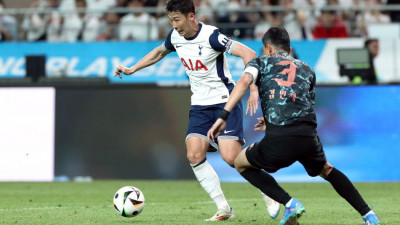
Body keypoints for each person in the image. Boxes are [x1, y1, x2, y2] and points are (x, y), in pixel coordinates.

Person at [114, 0, 280, 221]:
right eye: (171, 20)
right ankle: (224, 209)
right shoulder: (175, 38)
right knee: (193, 154)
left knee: (231, 158)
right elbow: (158, 52)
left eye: (177, 19)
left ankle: (269, 191)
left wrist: (252, 87)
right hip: (200, 105)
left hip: (224, 101)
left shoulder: (212, 36)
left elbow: (248, 53)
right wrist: (132, 69)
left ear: (191, 16)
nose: (174, 25)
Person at [207, 26, 381, 225]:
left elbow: (245, 80)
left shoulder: (261, 62)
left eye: (265, 50)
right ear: (289, 49)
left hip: (280, 139)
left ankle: (288, 203)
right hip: (308, 137)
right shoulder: (308, 69)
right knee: (327, 170)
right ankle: (368, 215)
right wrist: (272, 119)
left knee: (239, 162)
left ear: (268, 49)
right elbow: (302, 103)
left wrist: (223, 116)